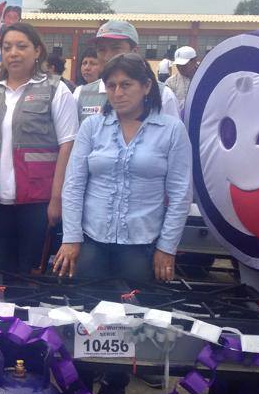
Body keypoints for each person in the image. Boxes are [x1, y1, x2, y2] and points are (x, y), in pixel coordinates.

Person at [54, 51, 192, 283]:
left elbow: (180, 194)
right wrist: (71, 238)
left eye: (126, 85)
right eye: (111, 86)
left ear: (146, 86)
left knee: (135, 314)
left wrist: (167, 247)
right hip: (92, 241)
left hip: (143, 245)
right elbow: (74, 185)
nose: (118, 93)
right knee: (86, 311)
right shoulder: (92, 126)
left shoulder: (171, 130)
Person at [0, 24, 78, 273]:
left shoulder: (55, 90)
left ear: (37, 51)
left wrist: (57, 200)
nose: (13, 53)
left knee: (30, 278)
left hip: (38, 203)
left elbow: (67, 146)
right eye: (7, 48)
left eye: (21, 46)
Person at [74, 20, 180, 121]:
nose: (107, 57)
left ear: (134, 51)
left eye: (116, 48)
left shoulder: (163, 95)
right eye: (101, 50)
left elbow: (172, 136)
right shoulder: (81, 94)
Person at [164, 45, 199, 112]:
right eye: (178, 65)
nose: (180, 67)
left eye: (183, 65)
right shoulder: (171, 82)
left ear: (194, 61)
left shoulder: (205, 80)